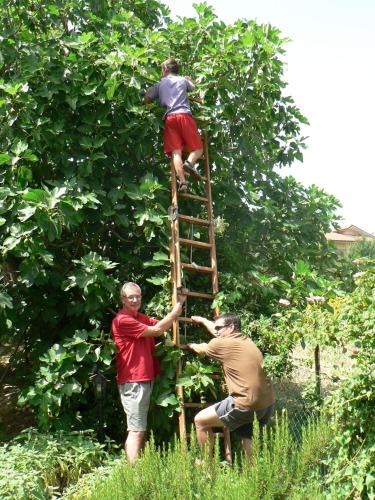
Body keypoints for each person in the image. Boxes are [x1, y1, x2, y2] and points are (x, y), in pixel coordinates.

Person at [112, 281, 186, 463]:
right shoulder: (123, 320)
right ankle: (134, 476)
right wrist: (177, 309)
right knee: (136, 430)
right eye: (131, 297)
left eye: (138, 296)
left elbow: (161, 324)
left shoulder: (139, 317)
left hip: (145, 378)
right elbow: (157, 330)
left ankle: (140, 466)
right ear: (123, 299)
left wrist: (179, 302)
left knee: (141, 428)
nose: (135, 300)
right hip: (134, 381)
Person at [187, 313, 275, 459]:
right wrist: (203, 320)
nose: (217, 332)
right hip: (267, 403)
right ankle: (253, 476)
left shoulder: (221, 344)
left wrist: (190, 345)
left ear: (231, 328)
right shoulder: (245, 340)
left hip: (246, 403)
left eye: (219, 328)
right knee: (248, 434)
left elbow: (203, 348)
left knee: (200, 421)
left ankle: (207, 469)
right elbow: (217, 331)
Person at [144, 58, 204, 193]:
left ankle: (183, 183)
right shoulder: (183, 80)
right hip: (184, 116)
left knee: (176, 152)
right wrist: (190, 80)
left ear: (166, 69)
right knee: (198, 149)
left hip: (170, 119)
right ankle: (189, 163)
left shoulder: (159, 84)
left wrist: (148, 92)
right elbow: (193, 88)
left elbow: (147, 99)